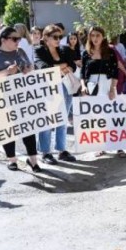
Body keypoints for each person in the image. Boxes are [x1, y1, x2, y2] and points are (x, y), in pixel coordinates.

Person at [0, 26, 41, 172]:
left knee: (28, 128)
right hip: (2, 99)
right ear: (3, 40)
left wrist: (27, 70)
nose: (18, 41)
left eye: (19, 38)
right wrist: (6, 72)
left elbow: (29, 68)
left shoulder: (20, 52)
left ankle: (33, 160)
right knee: (8, 129)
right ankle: (12, 160)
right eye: (15, 39)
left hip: (22, 97)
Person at [34, 24, 77, 165]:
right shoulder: (39, 50)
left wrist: (58, 67)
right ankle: (45, 152)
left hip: (65, 87)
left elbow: (73, 66)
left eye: (60, 37)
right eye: (55, 37)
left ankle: (61, 150)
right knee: (47, 120)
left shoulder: (64, 49)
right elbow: (43, 67)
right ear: (46, 38)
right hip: (49, 89)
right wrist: (61, 67)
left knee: (62, 119)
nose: (59, 39)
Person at [80, 26, 120, 157]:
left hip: (107, 84)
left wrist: (113, 88)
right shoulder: (86, 52)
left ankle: (119, 145)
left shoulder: (110, 51)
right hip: (92, 86)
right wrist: (83, 86)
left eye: (98, 35)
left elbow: (115, 71)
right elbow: (82, 73)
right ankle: (101, 146)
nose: (95, 38)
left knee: (112, 115)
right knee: (97, 117)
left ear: (103, 36)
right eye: (92, 35)